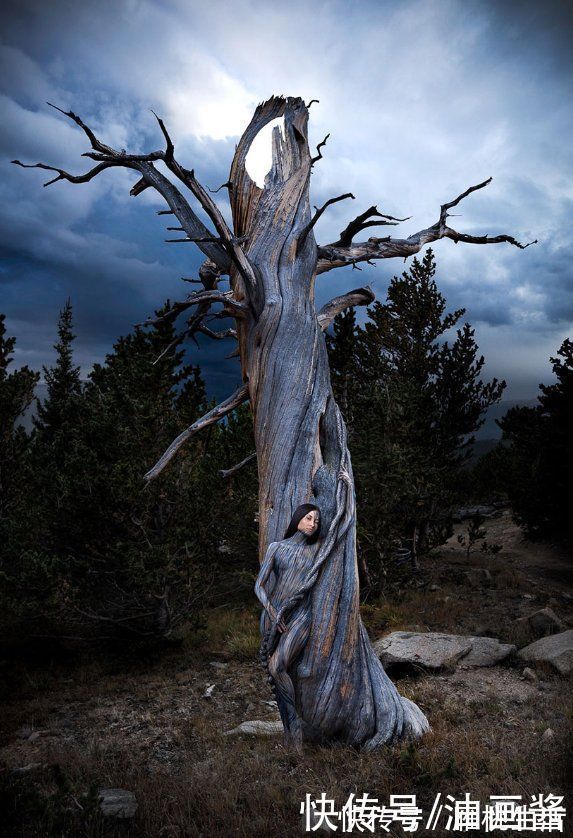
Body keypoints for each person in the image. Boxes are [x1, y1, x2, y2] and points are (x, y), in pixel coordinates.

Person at [254, 503, 320, 752]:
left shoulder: (316, 552)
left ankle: (296, 732)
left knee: (277, 666)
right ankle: (287, 735)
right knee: (276, 674)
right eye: (309, 517)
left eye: (317, 521)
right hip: (272, 617)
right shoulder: (277, 548)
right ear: (298, 518)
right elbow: (259, 585)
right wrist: (273, 611)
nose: (313, 523)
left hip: (300, 616)